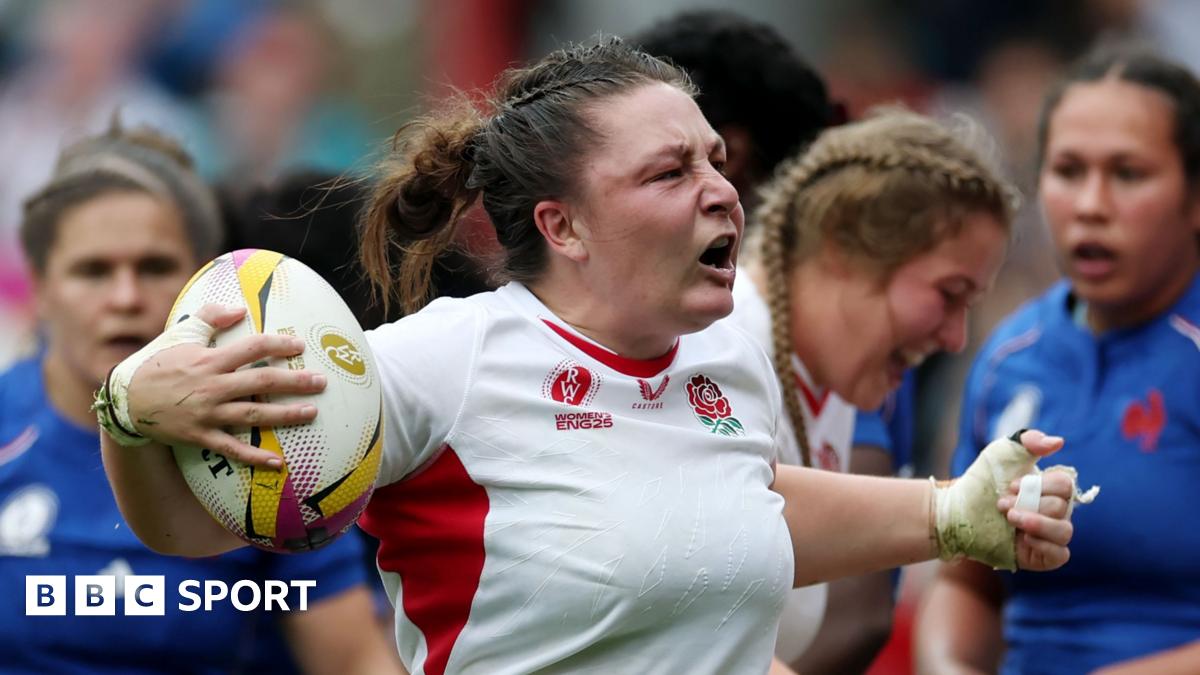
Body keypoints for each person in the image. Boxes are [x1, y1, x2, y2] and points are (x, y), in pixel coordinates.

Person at [97, 39, 1079, 675]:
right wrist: (133, 407)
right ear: (562, 226)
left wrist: (952, 511)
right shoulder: (448, 361)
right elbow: (192, 528)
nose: (722, 192)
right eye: (669, 170)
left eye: (715, 163)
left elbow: (742, 500)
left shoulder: (728, 348)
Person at [0, 120, 403, 674]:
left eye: (155, 267)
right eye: (93, 271)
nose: (125, 297)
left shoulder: (275, 441)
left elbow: (355, 661)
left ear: (201, 281)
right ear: (41, 291)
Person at [916, 47, 1200, 674]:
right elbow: (966, 584)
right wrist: (947, 667)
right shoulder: (1007, 357)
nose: (1091, 204)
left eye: (1129, 173)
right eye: (1068, 170)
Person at [635, 14, 899, 672]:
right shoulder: (651, 330)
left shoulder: (854, 338)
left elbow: (859, 609)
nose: (951, 333)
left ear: (731, 154)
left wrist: (958, 511)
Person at [731, 108, 1010, 673]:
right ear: (842, 244)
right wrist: (955, 512)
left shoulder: (825, 373)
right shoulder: (715, 343)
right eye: (947, 293)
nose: (957, 339)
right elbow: (691, 629)